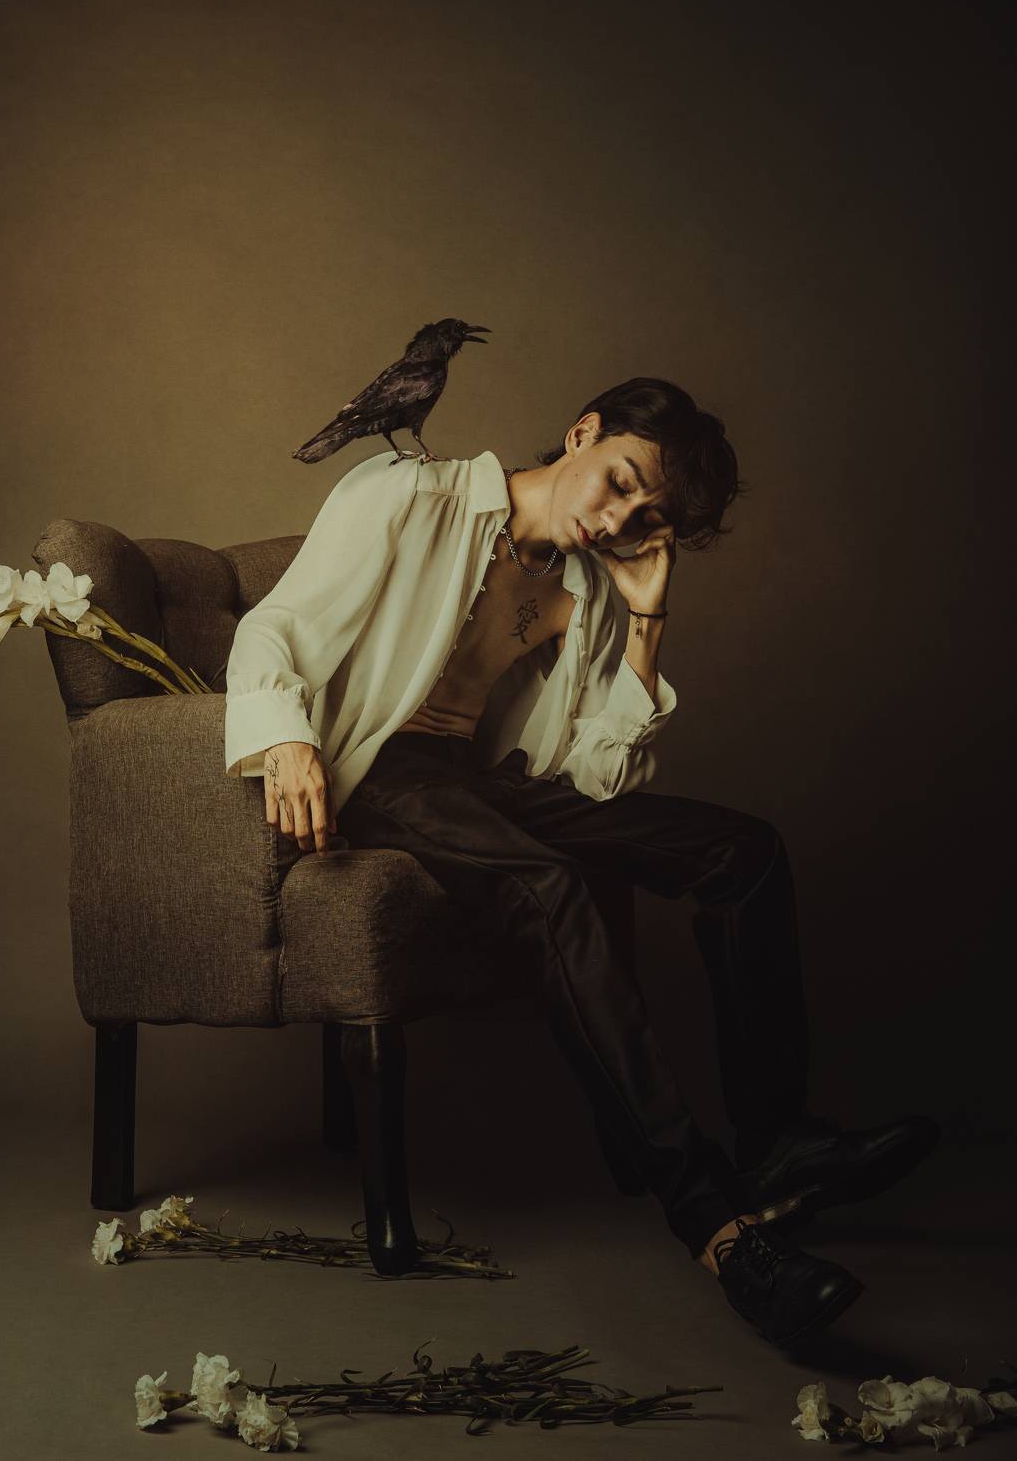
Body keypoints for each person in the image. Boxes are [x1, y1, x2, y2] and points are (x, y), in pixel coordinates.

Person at [224, 376, 939, 1346]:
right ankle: (718, 1229)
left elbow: (602, 776)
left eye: (644, 518)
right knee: (549, 888)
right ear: (582, 432)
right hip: (381, 771)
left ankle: (778, 1142)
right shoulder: (409, 494)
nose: (614, 522)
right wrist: (284, 738)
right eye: (620, 483)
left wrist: (646, 618)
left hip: (480, 782)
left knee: (745, 852)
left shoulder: (589, 589)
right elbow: (273, 623)